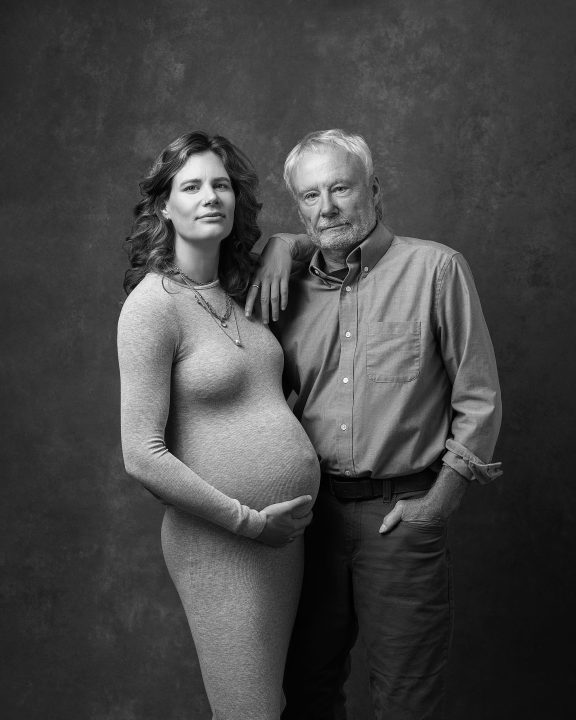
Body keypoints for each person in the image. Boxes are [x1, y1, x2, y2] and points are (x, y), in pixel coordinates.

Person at [245, 128, 503, 720]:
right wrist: (281, 244)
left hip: (400, 519)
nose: (326, 208)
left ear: (375, 190)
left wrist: (438, 503)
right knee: (305, 691)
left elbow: (479, 396)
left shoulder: (436, 270)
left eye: (340, 188)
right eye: (309, 197)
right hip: (307, 523)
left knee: (405, 700)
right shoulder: (283, 286)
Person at [117, 130, 320, 720]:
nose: (211, 197)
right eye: (192, 185)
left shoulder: (240, 289)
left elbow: (335, 236)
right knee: (248, 712)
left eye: (222, 185)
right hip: (224, 541)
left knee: (276, 704)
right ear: (164, 206)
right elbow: (142, 455)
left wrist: (283, 243)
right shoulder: (153, 305)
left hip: (284, 540)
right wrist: (250, 523)